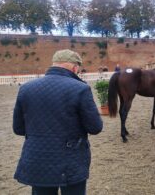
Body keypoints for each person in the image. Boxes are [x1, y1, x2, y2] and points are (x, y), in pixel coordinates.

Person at [13, 49, 103, 195]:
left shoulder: (25, 88)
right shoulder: (81, 89)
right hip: (70, 161)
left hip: (36, 158)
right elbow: (95, 127)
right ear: (75, 67)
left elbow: (18, 129)